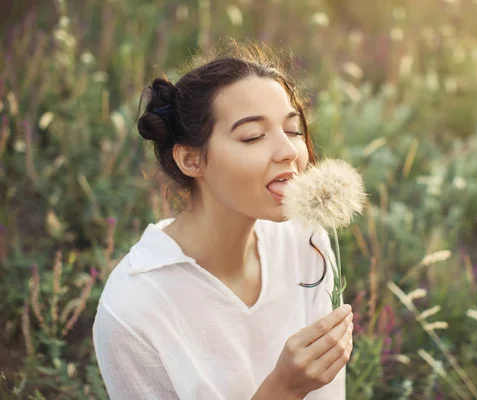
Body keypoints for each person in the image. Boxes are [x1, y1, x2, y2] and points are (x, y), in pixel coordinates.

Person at [92, 41, 354, 400]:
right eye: (253, 136)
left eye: (293, 130)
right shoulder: (132, 309)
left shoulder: (305, 240)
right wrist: (282, 390)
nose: (290, 151)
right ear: (191, 160)